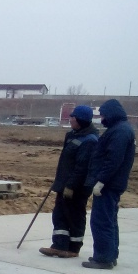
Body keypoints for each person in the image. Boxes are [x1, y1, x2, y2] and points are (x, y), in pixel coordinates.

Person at [81, 99, 136, 270]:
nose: (102, 118)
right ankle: (110, 255)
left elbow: (113, 159)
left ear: (111, 114)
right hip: (112, 183)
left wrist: (101, 181)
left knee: (101, 221)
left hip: (108, 184)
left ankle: (103, 258)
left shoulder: (120, 131)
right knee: (109, 220)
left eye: (103, 115)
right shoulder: (120, 129)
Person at [39, 105, 98, 258]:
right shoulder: (72, 135)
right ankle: (59, 245)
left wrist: (71, 186)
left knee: (75, 216)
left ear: (81, 120)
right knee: (60, 214)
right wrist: (60, 182)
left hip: (77, 187)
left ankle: (73, 248)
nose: (70, 119)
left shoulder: (90, 140)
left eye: (73, 117)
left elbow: (82, 167)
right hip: (64, 184)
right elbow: (67, 163)